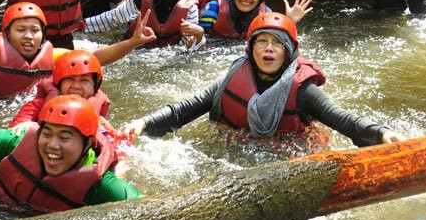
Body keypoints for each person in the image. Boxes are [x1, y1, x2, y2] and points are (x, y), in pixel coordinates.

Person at [120, 12, 403, 148]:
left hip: (290, 150)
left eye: (277, 43)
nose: (268, 49)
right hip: (238, 145)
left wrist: (381, 134)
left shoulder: (303, 90)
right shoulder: (233, 79)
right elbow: (185, 109)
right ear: (250, 48)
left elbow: (343, 119)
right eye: (262, 42)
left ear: (289, 51)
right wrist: (141, 124)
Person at [0, 0, 155, 106]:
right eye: (21, 30)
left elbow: (94, 58)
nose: (29, 36)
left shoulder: (53, 56)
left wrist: (131, 43)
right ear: (6, 34)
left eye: (34, 30)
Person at [0, 92, 143, 213]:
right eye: (47, 134)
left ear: (88, 144)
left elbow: (146, 209)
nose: (52, 145)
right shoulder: (22, 141)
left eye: (65, 138)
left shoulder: (101, 185)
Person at [10, 49, 111, 127]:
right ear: (59, 83)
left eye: (84, 81)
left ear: (95, 87)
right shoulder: (36, 106)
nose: (76, 86)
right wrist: (27, 128)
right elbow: (14, 130)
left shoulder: (99, 119)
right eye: (69, 79)